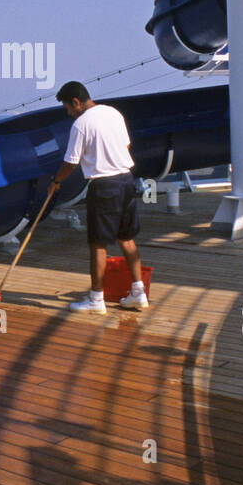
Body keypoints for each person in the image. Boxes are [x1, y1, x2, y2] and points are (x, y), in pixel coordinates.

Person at [47, 81, 148, 314]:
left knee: (98, 244)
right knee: (127, 238)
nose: (69, 113)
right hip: (126, 180)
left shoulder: (81, 124)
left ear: (76, 102)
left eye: (68, 108)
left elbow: (71, 162)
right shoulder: (113, 113)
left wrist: (56, 181)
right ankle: (138, 293)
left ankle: (96, 299)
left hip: (104, 186)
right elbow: (125, 144)